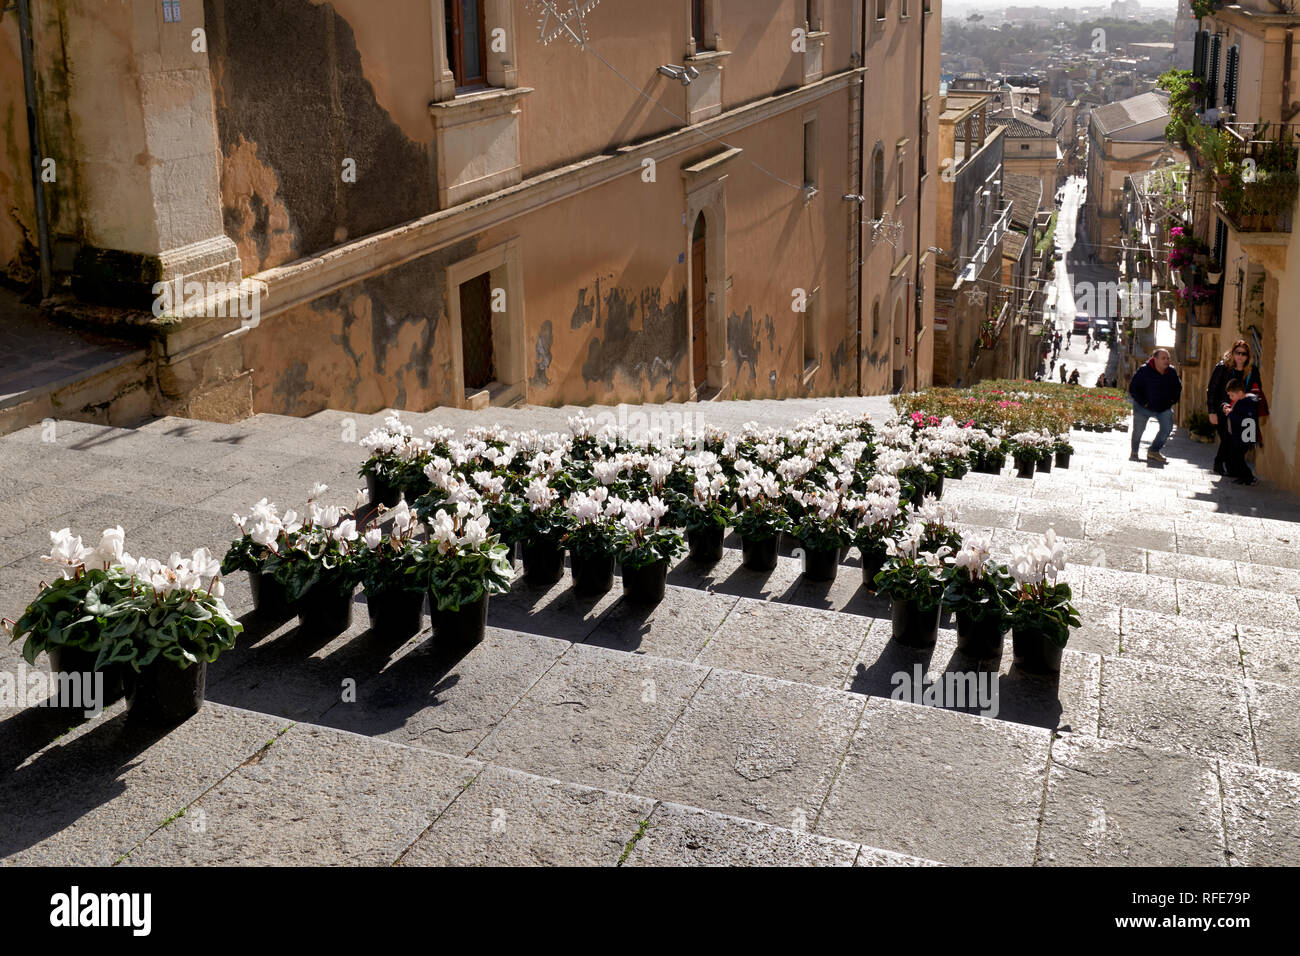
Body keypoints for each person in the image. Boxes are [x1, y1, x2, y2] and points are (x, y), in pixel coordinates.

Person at [1206, 339, 1266, 476]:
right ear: (1232, 353)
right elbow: (1212, 390)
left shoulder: (1253, 371)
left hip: (1241, 412)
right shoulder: (1222, 368)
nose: (1240, 356)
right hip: (1223, 410)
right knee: (1227, 438)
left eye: (1244, 354)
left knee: (1237, 441)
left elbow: (1257, 390)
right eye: (1237, 352)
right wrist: (1212, 411)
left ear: (1248, 356)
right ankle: (1220, 463)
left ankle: (1230, 467)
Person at [1128, 348, 1182, 463]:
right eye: (1163, 358)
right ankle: (1134, 451)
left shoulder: (1171, 372)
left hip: (1163, 408)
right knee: (1138, 430)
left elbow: (1177, 388)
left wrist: (1172, 401)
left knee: (1167, 428)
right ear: (1155, 359)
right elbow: (1133, 388)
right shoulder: (1144, 370)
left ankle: (1154, 451)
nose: (1167, 361)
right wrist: (1144, 403)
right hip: (1143, 407)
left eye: (1168, 358)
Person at [1222, 379, 1261, 485]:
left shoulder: (1248, 403)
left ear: (1240, 393)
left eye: (1232, 395)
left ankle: (1249, 478)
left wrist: (1230, 413)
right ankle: (1243, 477)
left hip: (1245, 435)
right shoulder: (1241, 402)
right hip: (1240, 435)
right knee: (1235, 457)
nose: (1230, 398)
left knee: (1237, 458)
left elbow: (1245, 420)